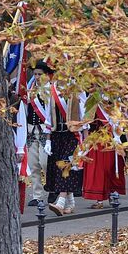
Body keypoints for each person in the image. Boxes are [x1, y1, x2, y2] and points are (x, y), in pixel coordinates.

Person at [45, 77, 87, 216]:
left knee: (65, 165)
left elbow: (84, 115)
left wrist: (85, 142)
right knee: (58, 167)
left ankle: (60, 202)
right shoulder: (51, 89)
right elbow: (48, 117)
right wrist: (48, 140)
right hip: (57, 135)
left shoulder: (77, 89)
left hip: (72, 135)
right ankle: (71, 203)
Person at [17, 61, 53, 207]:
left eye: (40, 74)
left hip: (45, 130)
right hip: (31, 130)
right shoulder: (30, 90)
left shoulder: (50, 90)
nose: (37, 77)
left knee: (45, 163)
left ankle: (52, 189)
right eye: (36, 74)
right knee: (33, 164)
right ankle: (37, 195)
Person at [81, 105, 126, 208]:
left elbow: (120, 119)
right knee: (98, 170)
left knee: (110, 167)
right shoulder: (92, 102)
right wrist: (87, 140)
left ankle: (112, 193)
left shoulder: (114, 102)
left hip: (110, 139)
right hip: (96, 140)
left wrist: (118, 136)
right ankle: (99, 199)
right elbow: (86, 122)